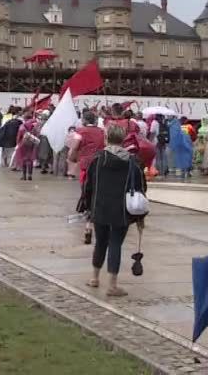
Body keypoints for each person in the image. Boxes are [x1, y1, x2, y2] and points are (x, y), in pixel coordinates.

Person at [81, 124, 145, 298]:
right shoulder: (132, 162)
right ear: (123, 140)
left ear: (107, 138)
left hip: (100, 207)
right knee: (115, 243)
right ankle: (112, 285)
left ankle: (94, 278)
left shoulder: (98, 159)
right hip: (121, 210)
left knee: (101, 242)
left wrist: (86, 206)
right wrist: (140, 216)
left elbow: (88, 185)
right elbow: (140, 187)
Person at [69, 111, 108, 244]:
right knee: (98, 195)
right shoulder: (103, 132)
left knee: (87, 194)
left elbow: (73, 149)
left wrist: (72, 158)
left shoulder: (80, 132)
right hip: (101, 166)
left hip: (86, 167)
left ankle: (88, 226)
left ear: (84, 120)